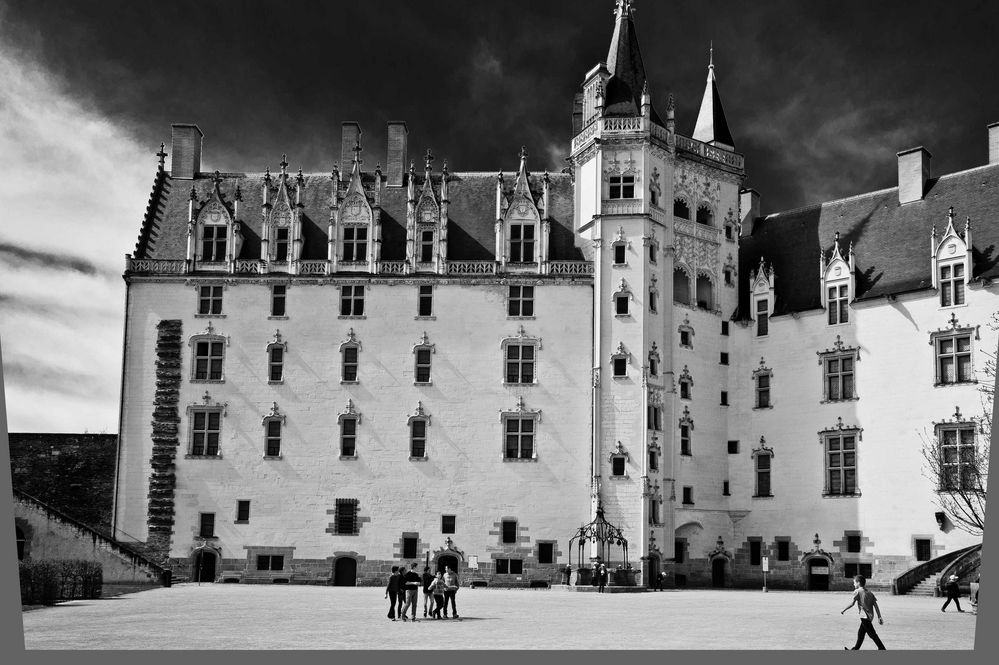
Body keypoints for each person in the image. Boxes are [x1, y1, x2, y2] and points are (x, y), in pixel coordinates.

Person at [841, 574, 886, 650]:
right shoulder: (870, 592)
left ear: (858, 583)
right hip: (870, 616)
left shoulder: (857, 591)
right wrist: (879, 616)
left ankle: (882, 648)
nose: (853, 584)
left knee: (872, 634)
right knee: (861, 633)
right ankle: (855, 649)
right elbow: (876, 605)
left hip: (864, 617)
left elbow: (852, 603)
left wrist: (844, 610)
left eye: (854, 582)